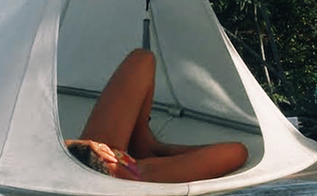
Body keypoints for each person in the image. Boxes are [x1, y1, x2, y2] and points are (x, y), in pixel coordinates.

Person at [65, 49, 249, 183]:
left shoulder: (89, 150)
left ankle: (144, 142)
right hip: (122, 173)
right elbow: (237, 152)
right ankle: (150, 148)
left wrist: (73, 145)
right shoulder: (137, 174)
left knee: (142, 59)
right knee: (237, 152)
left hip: (94, 154)